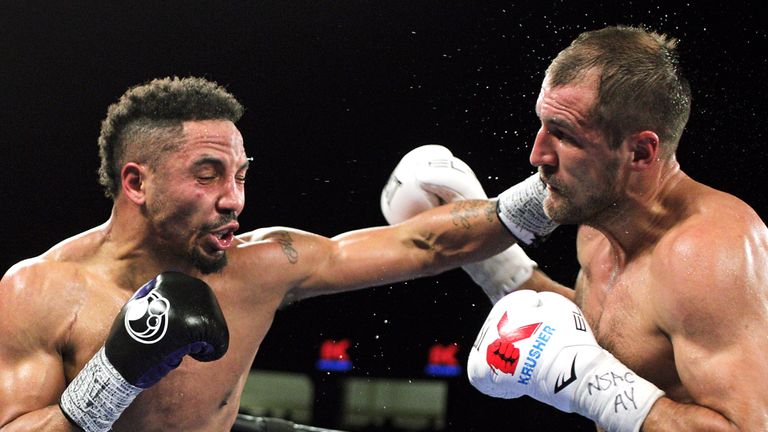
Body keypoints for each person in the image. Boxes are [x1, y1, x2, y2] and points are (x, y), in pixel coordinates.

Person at [0, 76, 549, 431]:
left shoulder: (260, 263)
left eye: (240, 175)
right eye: (207, 175)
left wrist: (552, 191)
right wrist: (115, 374)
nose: (234, 199)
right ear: (137, 183)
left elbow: (422, 242)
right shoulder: (41, 290)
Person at [385, 26, 768, 431]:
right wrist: (493, 264)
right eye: (542, 125)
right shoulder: (599, 227)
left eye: (564, 134)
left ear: (640, 151)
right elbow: (607, 336)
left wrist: (594, 386)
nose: (537, 154)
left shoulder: (709, 255)